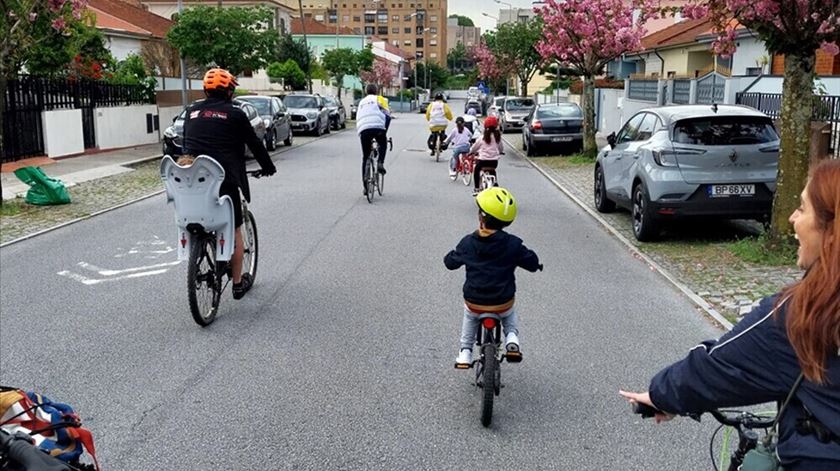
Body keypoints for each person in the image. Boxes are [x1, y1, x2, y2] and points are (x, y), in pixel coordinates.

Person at [620, 159, 840, 470]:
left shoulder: (807, 315)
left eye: (803, 209)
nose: (792, 218)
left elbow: (721, 367)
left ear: (831, 231)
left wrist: (660, 394)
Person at [182, 67, 276, 300]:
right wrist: (268, 167)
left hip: (191, 182)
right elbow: (254, 144)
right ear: (229, 92)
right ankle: (237, 283)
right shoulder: (235, 114)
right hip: (223, 181)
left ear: (205, 90)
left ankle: (199, 249)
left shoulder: (190, 112)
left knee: (198, 219)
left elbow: (186, 145)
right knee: (232, 229)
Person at [444, 187, 542, 368]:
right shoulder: (513, 244)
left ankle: (465, 352)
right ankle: (512, 338)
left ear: (481, 217)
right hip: (502, 302)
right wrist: (537, 265)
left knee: (470, 315)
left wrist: (452, 256)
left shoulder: (468, 243)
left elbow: (450, 263)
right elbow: (531, 262)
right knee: (509, 313)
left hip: (475, 301)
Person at [356, 83, 391, 195]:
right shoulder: (380, 99)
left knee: (365, 157)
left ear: (366, 91)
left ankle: (365, 187)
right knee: (383, 141)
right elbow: (387, 115)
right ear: (376, 91)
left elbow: (358, 117)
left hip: (364, 129)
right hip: (378, 127)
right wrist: (384, 130)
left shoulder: (361, 102)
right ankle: (380, 162)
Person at [468, 116, 504, 196]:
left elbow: (475, 147)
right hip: (494, 162)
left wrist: (470, 152)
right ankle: (495, 183)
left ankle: (476, 188)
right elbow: (501, 148)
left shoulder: (482, 138)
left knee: (476, 170)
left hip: (483, 161)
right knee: (493, 170)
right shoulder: (498, 137)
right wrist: (500, 152)